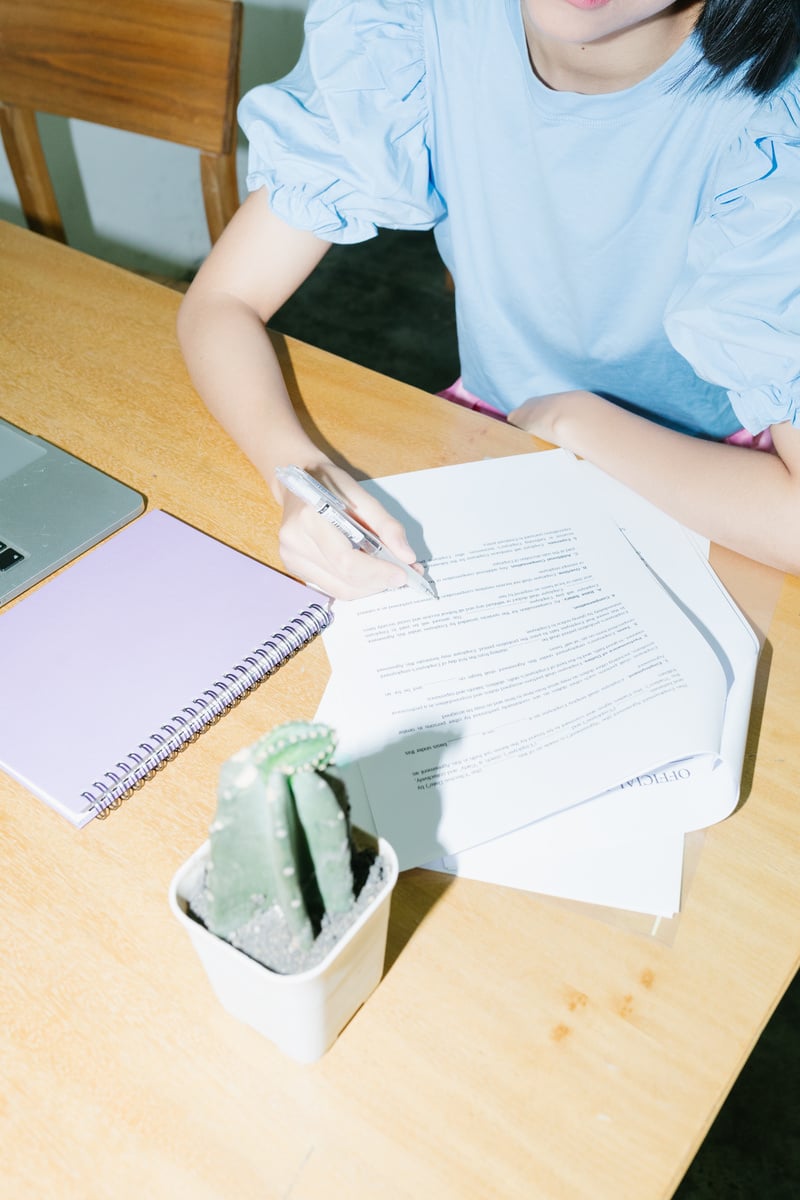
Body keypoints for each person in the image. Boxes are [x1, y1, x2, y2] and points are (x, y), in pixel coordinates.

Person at [177, 0, 800, 598]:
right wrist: (299, 479)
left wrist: (574, 420)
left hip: (714, 479)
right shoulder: (417, 27)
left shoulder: (779, 121)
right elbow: (222, 301)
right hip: (490, 440)